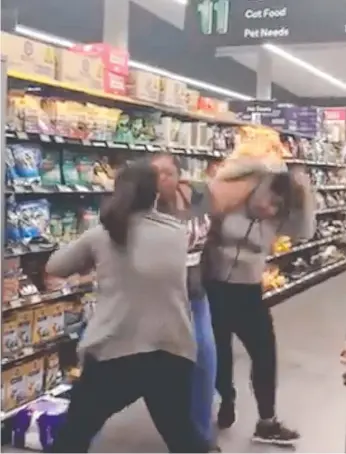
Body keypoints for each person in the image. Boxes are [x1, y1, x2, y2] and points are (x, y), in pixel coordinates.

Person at [47, 161, 210, 453]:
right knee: (182, 435)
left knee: (75, 434)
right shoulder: (176, 234)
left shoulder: (102, 234)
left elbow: (55, 267)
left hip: (116, 349)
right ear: (155, 196)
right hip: (172, 349)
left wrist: (91, 261)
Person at [151, 153, 265, 449]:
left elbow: (240, 181)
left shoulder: (198, 196)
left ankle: (199, 437)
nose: (161, 178)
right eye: (154, 173)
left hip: (195, 294)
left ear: (179, 175)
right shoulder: (143, 205)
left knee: (204, 359)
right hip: (155, 300)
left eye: (167, 172)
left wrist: (266, 164)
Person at [204, 157, 316, 446]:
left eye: (278, 205)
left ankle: (267, 421)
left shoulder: (275, 218)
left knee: (265, 354)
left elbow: (305, 231)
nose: (271, 208)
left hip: (248, 293)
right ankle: (226, 399)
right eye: (269, 199)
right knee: (220, 355)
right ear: (255, 189)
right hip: (213, 288)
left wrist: (306, 194)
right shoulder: (231, 203)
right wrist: (266, 166)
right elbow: (223, 177)